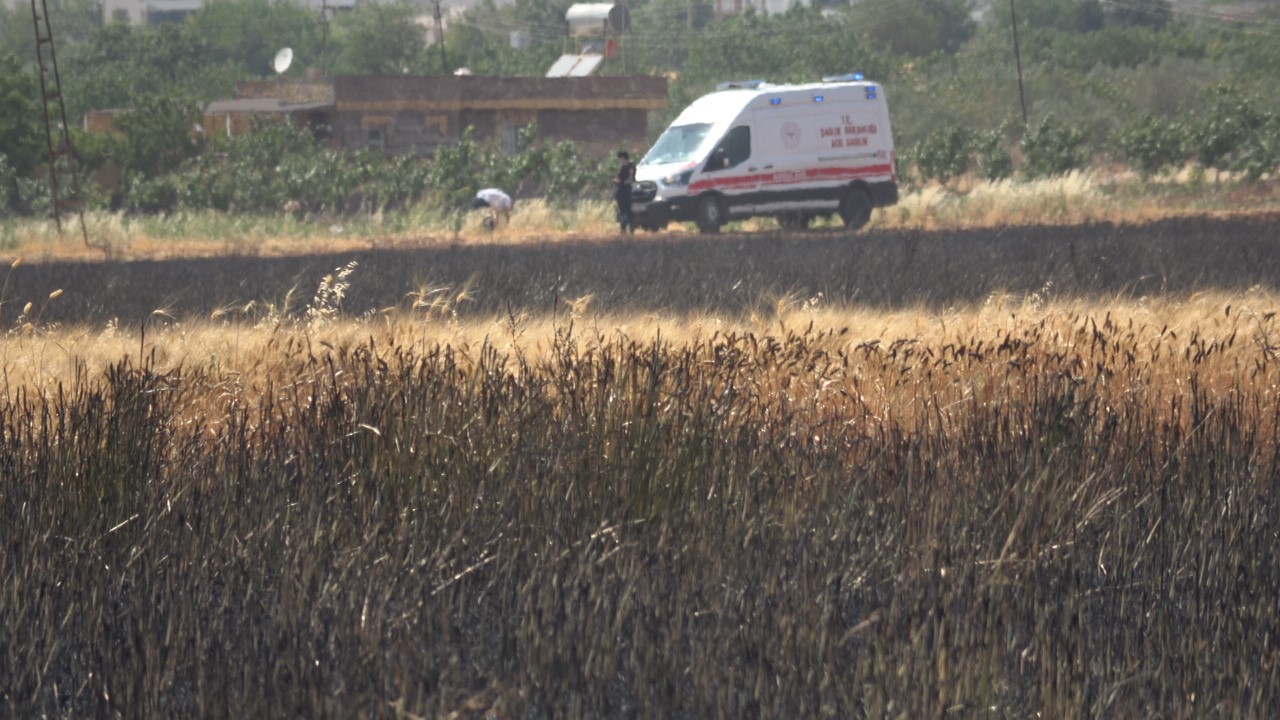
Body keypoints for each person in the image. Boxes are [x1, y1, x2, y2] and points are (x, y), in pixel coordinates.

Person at [613, 150, 636, 233]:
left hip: (621, 193)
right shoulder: (632, 166)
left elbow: (620, 180)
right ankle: (631, 229)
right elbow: (631, 179)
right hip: (629, 192)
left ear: (623, 158)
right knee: (629, 211)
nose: (620, 161)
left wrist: (616, 181)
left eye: (621, 159)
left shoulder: (623, 167)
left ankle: (623, 230)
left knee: (623, 212)